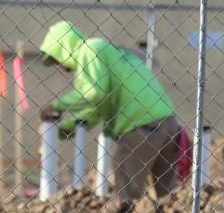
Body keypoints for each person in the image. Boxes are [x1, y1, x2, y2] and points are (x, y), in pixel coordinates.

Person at [38, 20, 181, 199]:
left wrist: (57, 105)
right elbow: (95, 110)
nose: (58, 65)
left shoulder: (89, 49)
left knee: (126, 180)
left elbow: (94, 93)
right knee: (166, 192)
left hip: (141, 124)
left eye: (56, 59)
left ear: (63, 47)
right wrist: (62, 129)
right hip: (166, 122)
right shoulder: (104, 52)